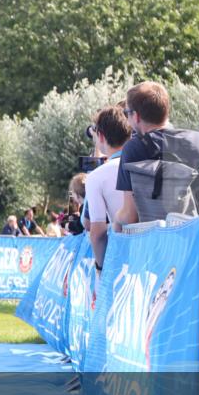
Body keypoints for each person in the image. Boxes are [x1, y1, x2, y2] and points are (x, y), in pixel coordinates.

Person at [115, 82, 199, 227]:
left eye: (126, 114)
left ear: (136, 116)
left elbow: (129, 215)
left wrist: (116, 221)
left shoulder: (135, 148)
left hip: (173, 241)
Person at [85, 105, 129, 273]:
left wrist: (100, 267)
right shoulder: (146, 164)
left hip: (122, 257)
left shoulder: (96, 177)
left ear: (101, 137)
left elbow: (97, 232)